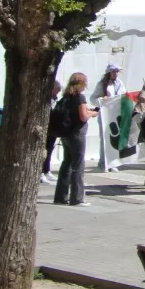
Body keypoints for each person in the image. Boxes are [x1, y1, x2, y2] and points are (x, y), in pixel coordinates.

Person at [53, 72, 95, 206]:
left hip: (66, 133)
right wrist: (92, 113)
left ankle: (60, 196)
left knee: (66, 163)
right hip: (77, 134)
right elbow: (83, 116)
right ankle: (77, 198)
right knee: (78, 165)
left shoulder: (66, 96)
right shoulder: (79, 97)